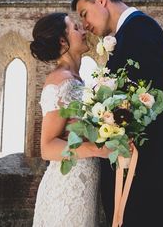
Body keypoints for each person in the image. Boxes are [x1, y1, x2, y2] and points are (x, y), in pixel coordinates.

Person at [72, 0, 163, 227]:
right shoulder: (128, 33)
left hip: (148, 176)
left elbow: (144, 103)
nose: (84, 25)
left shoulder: (140, 30)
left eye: (84, 13)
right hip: (137, 173)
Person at [30, 12, 112, 227]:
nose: (84, 31)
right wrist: (95, 149)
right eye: (76, 28)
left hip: (86, 186)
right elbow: (47, 148)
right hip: (66, 191)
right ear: (62, 41)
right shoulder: (59, 82)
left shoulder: (77, 80)